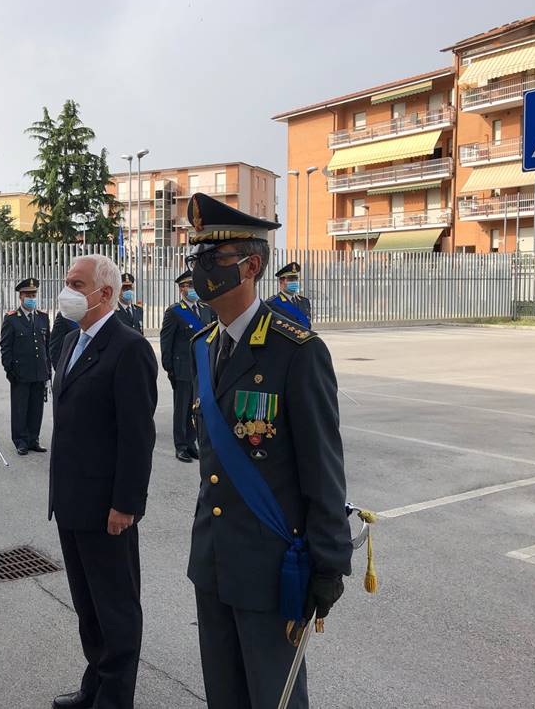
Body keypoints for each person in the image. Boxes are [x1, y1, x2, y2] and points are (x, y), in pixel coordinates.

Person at [184, 193, 352, 709]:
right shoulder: (204, 344)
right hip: (214, 559)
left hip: (270, 567)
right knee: (225, 694)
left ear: (251, 266)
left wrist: (329, 563)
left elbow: (323, 468)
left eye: (213, 258)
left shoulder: (295, 352)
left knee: (274, 696)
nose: (200, 269)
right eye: (197, 259)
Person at [48, 254, 158, 709]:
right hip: (71, 501)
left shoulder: (128, 347)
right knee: (88, 608)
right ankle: (94, 685)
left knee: (115, 609)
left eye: (77, 283)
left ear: (105, 293)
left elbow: (138, 436)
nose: (67, 291)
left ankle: (115, 699)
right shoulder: (72, 341)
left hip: (106, 507)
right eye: (67, 282)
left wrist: (125, 505)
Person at [159, 270, 214, 462]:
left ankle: (192, 444)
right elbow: (166, 341)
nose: (192, 289)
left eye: (194, 285)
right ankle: (181, 445)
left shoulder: (206, 309)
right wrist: (169, 368)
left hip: (202, 367)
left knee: (195, 407)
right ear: (181, 289)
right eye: (188, 285)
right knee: (181, 409)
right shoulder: (175, 312)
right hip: (182, 368)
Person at [0, 277, 51, 456]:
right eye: (28, 294)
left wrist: (48, 370)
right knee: (20, 408)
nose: (31, 297)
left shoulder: (43, 318)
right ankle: (20, 440)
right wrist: (9, 370)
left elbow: (47, 346)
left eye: (33, 294)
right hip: (20, 373)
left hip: (39, 372)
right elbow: (6, 348)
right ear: (20, 297)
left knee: (37, 408)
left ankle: (33, 439)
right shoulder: (12, 319)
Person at [267, 261, 312, 329]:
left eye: (296, 279)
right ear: (281, 281)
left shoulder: (305, 302)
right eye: (290, 279)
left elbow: (308, 326)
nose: (294, 282)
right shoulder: (273, 303)